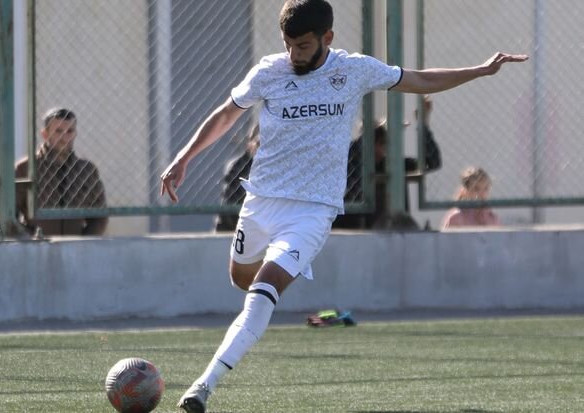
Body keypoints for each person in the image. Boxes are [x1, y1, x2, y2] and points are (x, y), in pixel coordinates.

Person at [159, 1, 527, 411]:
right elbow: (227, 114)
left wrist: (479, 70)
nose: (294, 54)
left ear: (327, 38)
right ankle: (269, 285)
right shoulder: (269, 71)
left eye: (303, 45)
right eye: (288, 44)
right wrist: (184, 158)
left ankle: (202, 387)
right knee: (241, 278)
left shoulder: (353, 70)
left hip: (312, 211)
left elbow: (419, 78)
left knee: (263, 291)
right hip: (261, 202)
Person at [0, 108, 108, 237]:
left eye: (70, 131)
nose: (65, 138)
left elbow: (99, 216)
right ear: (45, 134)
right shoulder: (26, 168)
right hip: (37, 245)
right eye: (58, 131)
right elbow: (6, 214)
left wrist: (84, 242)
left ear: (75, 133)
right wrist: (31, 240)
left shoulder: (86, 170)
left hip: (74, 245)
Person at [333, 95, 441, 230]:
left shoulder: (390, 164)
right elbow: (355, 149)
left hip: (390, 226)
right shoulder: (350, 161)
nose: (383, 149)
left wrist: (422, 124)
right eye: (380, 142)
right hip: (350, 226)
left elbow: (431, 162)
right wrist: (377, 129)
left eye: (385, 144)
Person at [214, 124, 260, 232]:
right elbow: (231, 197)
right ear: (250, 144)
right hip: (236, 222)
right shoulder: (240, 165)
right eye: (258, 144)